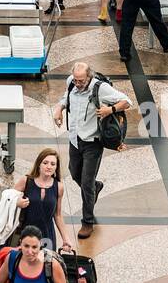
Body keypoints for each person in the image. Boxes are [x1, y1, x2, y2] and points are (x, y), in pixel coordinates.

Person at [53, 62, 131, 239]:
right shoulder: (71, 82)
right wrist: (59, 108)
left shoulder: (100, 88)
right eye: (76, 80)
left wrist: (109, 109)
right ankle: (96, 187)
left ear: (89, 76)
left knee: (86, 184)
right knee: (74, 174)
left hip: (93, 142)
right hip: (75, 139)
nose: (78, 84)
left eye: (81, 81)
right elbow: (67, 97)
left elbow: (127, 101)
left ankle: (87, 222)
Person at [11, 148, 75, 254]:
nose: (49, 166)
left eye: (53, 164)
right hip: (26, 233)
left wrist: (66, 238)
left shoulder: (59, 187)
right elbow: (8, 199)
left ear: (56, 167)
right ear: (39, 164)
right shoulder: (26, 181)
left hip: (47, 235)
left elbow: (57, 215)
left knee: (46, 266)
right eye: (45, 163)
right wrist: (17, 202)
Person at [0, 225, 69, 283]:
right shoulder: (12, 259)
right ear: (20, 243)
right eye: (26, 246)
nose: (30, 252)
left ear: (40, 245)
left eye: (34, 247)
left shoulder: (51, 264)